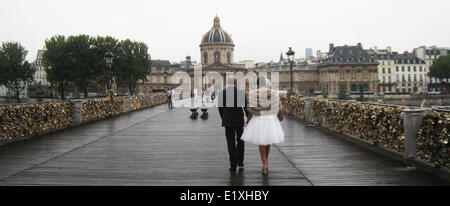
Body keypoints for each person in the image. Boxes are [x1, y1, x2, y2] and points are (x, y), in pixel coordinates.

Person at [241, 77, 285, 175]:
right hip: (270, 119)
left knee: (261, 143)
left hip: (259, 119)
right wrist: (280, 115)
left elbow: (250, 110)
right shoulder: (273, 93)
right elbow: (278, 106)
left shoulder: (252, 94)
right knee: (268, 141)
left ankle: (264, 163)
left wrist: (248, 121)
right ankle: (266, 161)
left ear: (257, 84)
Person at [218, 79, 251, 172]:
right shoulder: (241, 92)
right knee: (240, 141)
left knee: (230, 142)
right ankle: (240, 161)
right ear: (236, 83)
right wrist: (248, 118)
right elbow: (245, 107)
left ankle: (233, 164)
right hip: (239, 119)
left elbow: (220, 107)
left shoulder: (222, 93)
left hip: (228, 120)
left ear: (228, 83)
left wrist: (223, 117)